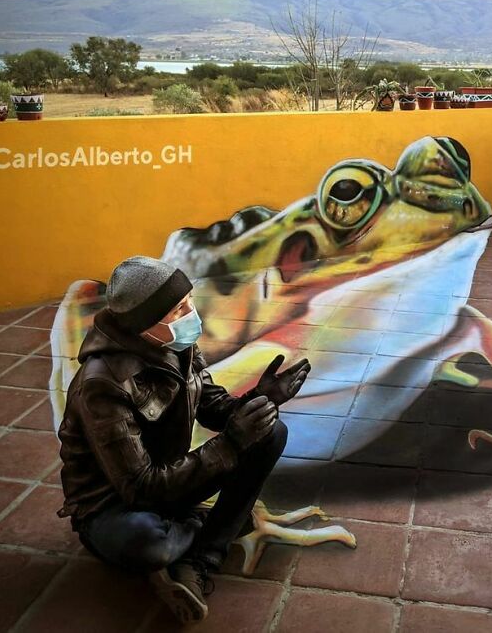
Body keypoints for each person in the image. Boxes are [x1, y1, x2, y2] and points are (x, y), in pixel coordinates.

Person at [57, 256, 311, 622]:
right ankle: (208, 529)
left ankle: (201, 558)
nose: (194, 314)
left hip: (167, 481)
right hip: (113, 506)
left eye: (189, 301)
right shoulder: (102, 383)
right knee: (147, 542)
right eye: (180, 309)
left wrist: (261, 400)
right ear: (145, 323)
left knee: (270, 431)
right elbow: (139, 487)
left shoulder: (178, 347)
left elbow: (213, 405)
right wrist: (231, 445)